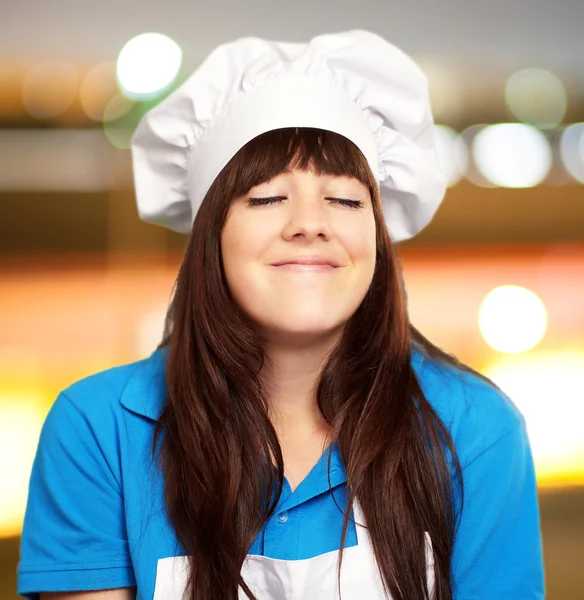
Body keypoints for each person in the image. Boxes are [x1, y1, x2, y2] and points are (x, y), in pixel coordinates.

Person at [17, 30, 545, 600]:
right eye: (268, 198)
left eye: (344, 200)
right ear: (210, 237)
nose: (309, 222)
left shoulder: (476, 431)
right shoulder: (98, 431)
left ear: (377, 236)